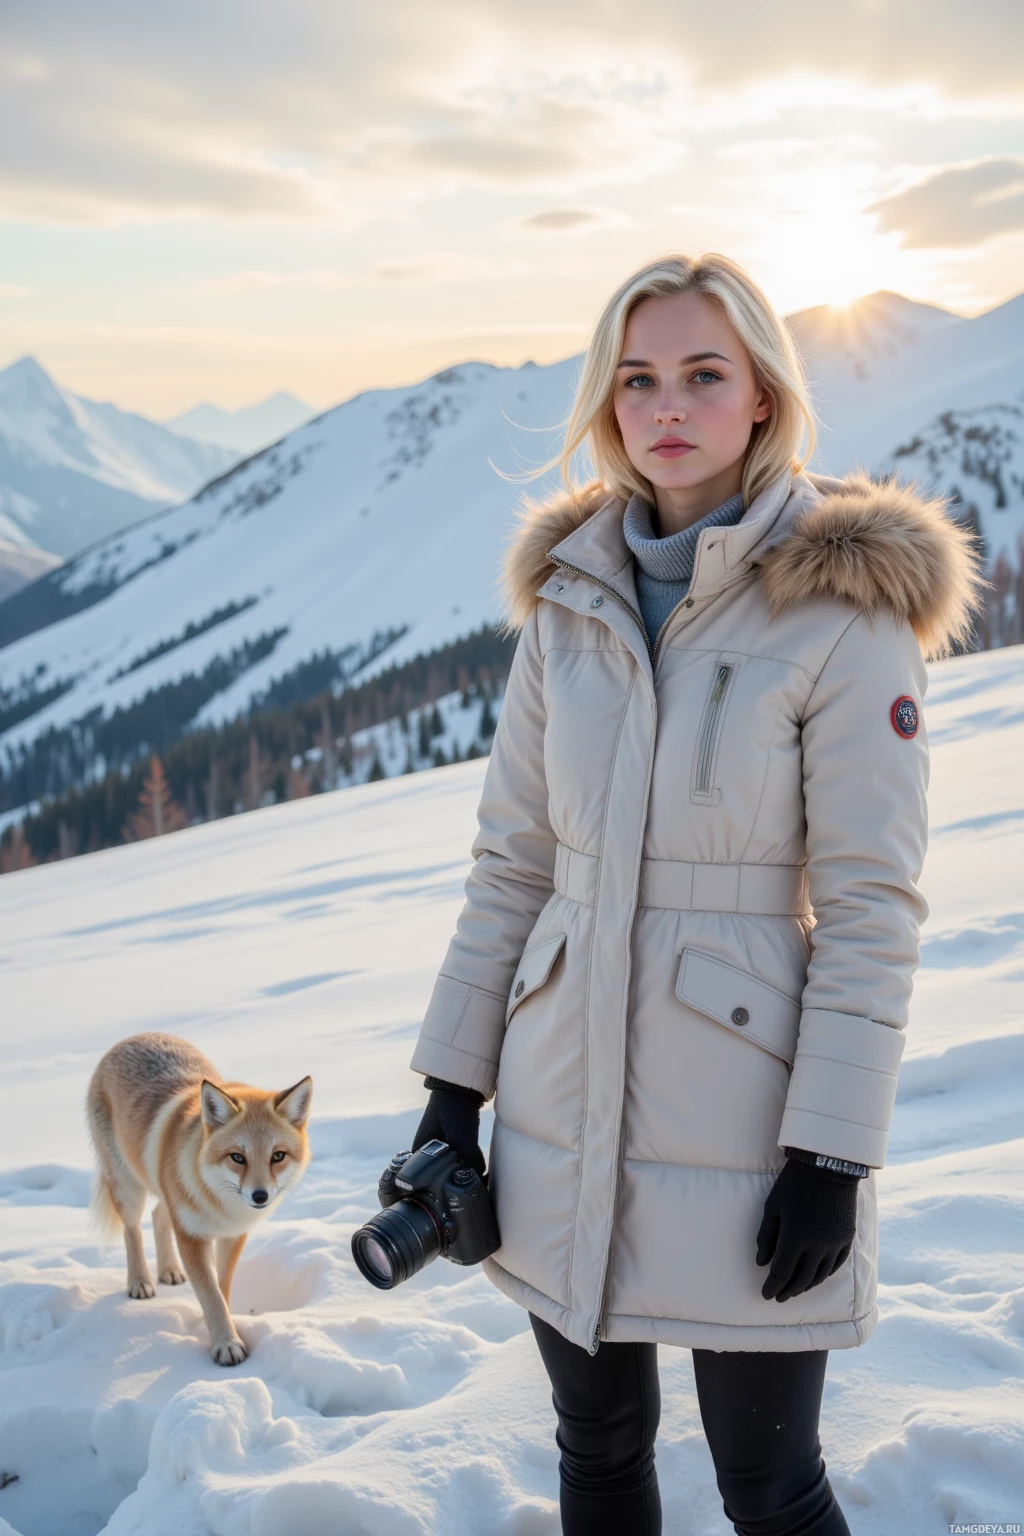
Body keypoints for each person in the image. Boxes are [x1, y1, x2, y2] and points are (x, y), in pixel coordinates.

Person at [408, 252, 983, 1535]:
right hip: (559, 1109)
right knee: (596, 1452)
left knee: (768, 1489)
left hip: (748, 1127)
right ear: (606, 401)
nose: (666, 406)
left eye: (703, 375)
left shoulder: (842, 606)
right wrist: (453, 1094)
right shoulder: (568, 598)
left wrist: (830, 1152)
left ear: (763, 396)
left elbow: (871, 906)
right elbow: (514, 867)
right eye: (637, 379)